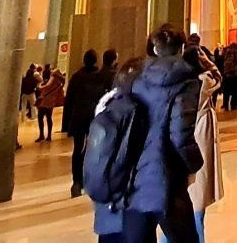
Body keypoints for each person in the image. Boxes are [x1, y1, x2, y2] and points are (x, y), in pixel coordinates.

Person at [92, 27, 204, 243]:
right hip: (165, 177)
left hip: (131, 177)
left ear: (153, 47)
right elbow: (180, 135)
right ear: (181, 48)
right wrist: (195, 163)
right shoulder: (185, 81)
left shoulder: (135, 76)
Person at [186, 46, 224, 242]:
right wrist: (208, 62)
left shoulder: (184, 82)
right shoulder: (203, 81)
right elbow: (218, 77)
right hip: (200, 136)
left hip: (189, 137)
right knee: (197, 204)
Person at [65, 50, 109, 196]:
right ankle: (88, 178)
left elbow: (69, 100)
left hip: (78, 117)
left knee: (78, 149)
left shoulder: (77, 77)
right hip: (94, 117)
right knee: (93, 149)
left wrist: (66, 123)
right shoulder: (100, 77)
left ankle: (76, 181)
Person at [35, 65, 65, 142]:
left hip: (45, 100)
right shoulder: (60, 81)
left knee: (40, 117)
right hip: (51, 101)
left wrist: (40, 87)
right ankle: (49, 136)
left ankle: (42, 135)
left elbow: (48, 86)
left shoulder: (53, 77)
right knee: (49, 118)